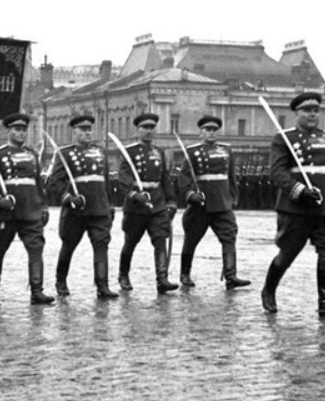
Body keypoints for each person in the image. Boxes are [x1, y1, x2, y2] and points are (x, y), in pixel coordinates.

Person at [261, 92, 325, 319]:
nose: (312, 114)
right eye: (307, 111)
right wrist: (300, 191)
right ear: (297, 113)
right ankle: (269, 290)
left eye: (315, 110)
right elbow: (277, 172)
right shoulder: (284, 138)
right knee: (288, 253)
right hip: (296, 208)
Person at [0, 112, 54, 305]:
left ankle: (37, 290)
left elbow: (38, 185)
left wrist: (43, 206)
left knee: (36, 249)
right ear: (9, 131)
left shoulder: (32, 155)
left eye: (23, 130)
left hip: (30, 211)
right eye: (17, 130)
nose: (21, 134)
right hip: (6, 214)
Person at [45, 115, 118, 299]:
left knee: (101, 246)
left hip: (99, 208)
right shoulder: (65, 153)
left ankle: (102, 285)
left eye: (89, 129)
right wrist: (68, 197)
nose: (87, 132)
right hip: (76, 210)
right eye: (83, 129)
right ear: (74, 131)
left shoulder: (100, 152)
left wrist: (110, 204)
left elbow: (106, 182)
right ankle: (60, 281)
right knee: (69, 245)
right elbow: (54, 182)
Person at [176, 116, 251, 290]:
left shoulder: (226, 150)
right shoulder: (192, 151)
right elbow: (184, 178)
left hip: (222, 203)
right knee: (191, 240)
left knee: (229, 237)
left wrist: (234, 197)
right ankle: (185, 274)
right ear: (200, 132)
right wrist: (190, 195)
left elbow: (231, 176)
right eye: (207, 130)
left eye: (213, 130)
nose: (211, 133)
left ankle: (231, 276)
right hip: (200, 205)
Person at [117, 113, 178, 294]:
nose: (149, 131)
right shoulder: (129, 152)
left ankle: (162, 279)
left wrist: (172, 201)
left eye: (152, 128)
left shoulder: (158, 152)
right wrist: (134, 194)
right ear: (137, 130)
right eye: (145, 128)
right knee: (131, 243)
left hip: (157, 205)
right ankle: (123, 275)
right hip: (136, 207)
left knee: (160, 241)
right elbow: (123, 177)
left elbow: (165, 178)